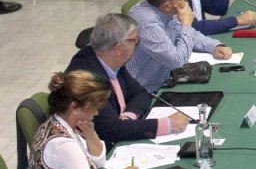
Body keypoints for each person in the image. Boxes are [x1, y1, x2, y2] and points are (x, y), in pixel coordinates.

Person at [65, 13, 190, 144]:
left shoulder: (110, 59)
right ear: (118, 48)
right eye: (134, 40)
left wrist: (127, 117)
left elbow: (141, 93)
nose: (137, 44)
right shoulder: (88, 79)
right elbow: (112, 130)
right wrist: (167, 124)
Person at [126, 0, 233, 92]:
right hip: (146, 89)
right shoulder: (148, 24)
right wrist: (186, 24)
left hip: (165, 77)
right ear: (167, 6)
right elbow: (176, 62)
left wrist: (214, 46)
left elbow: (185, 33)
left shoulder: (165, 9)